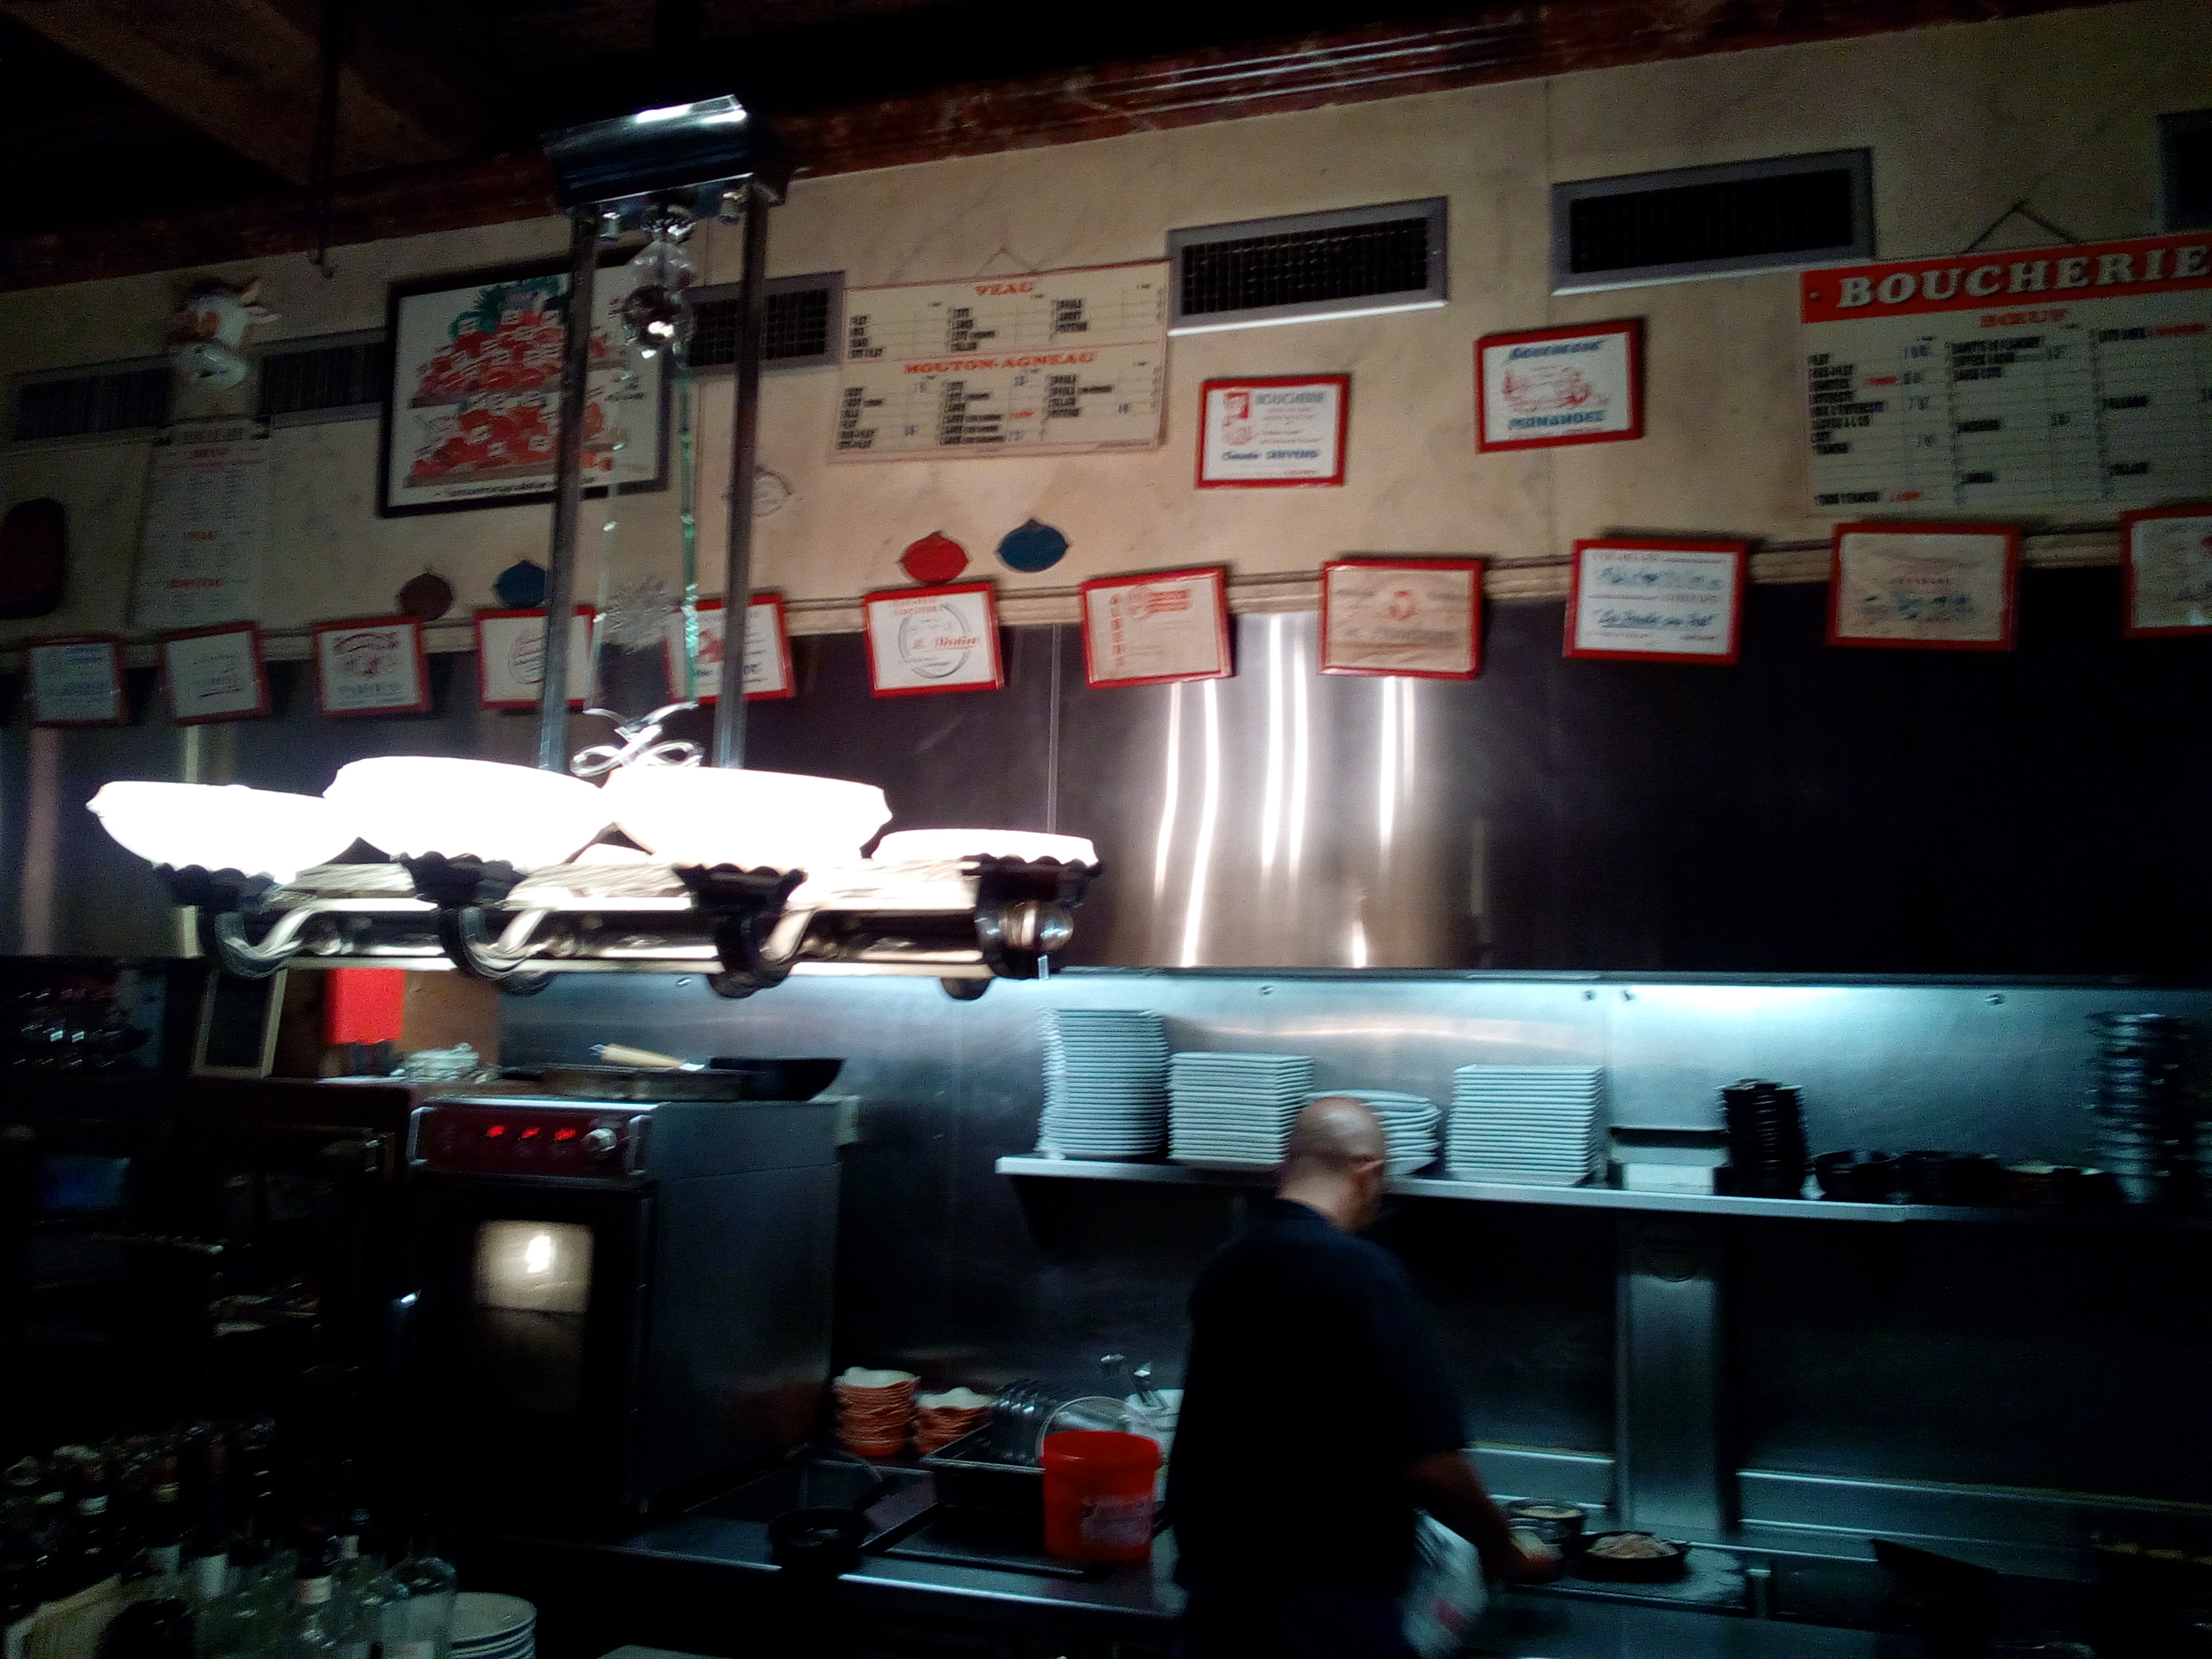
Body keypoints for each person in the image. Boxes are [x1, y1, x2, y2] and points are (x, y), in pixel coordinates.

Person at [1166, 1096, 1553, 1659]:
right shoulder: (1361, 1273)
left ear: (1285, 1166)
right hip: (1323, 1615)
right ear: (1369, 1173)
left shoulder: (1226, 1264)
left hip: (1216, 1609)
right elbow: (1430, 1464)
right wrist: (1502, 1546)